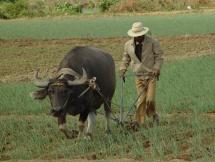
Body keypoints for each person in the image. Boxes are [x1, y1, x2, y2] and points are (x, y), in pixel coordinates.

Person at [119, 22, 163, 125]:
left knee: (150, 100)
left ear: (143, 34)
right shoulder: (128, 45)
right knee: (141, 100)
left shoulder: (152, 42)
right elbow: (126, 58)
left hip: (151, 75)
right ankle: (139, 122)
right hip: (138, 75)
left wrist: (156, 68)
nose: (137, 37)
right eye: (135, 36)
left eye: (139, 35)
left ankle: (153, 114)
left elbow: (159, 56)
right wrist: (122, 69)